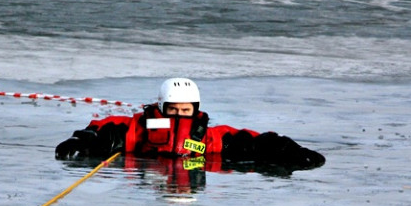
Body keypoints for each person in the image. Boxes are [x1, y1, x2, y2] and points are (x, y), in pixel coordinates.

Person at [55, 78, 325, 171]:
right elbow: (103, 130)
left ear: (195, 110)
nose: (179, 116)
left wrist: (289, 150)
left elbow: (251, 141)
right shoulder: (136, 130)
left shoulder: (207, 138)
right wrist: (80, 141)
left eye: (186, 111)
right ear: (161, 107)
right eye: (173, 110)